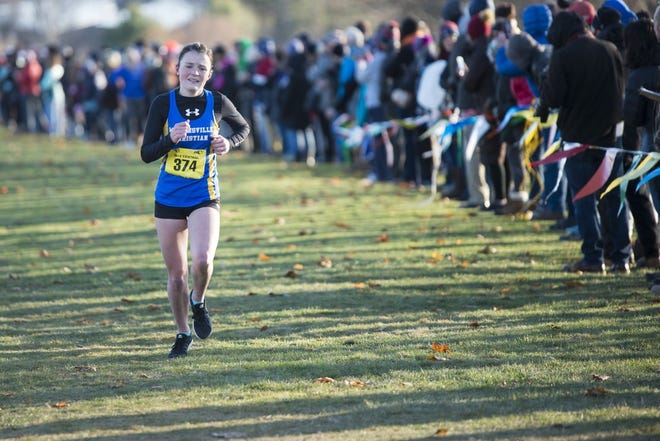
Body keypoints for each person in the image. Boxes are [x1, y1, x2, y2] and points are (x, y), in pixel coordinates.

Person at [140, 42, 250, 358]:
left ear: (209, 73)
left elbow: (242, 128)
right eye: (189, 66)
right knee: (176, 275)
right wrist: (169, 140)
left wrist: (228, 143)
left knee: (202, 260)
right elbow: (147, 153)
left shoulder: (218, 102)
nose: (195, 72)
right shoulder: (163, 104)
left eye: (202, 67)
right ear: (177, 69)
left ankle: (198, 301)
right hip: (169, 198)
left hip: (204, 194)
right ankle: (182, 332)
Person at [541, 11, 631, 274]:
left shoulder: (563, 56)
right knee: (615, 199)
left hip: (578, 139)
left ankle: (593, 257)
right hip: (609, 137)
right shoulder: (610, 49)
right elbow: (620, 89)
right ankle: (622, 257)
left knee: (583, 200)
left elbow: (555, 97)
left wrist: (545, 88)